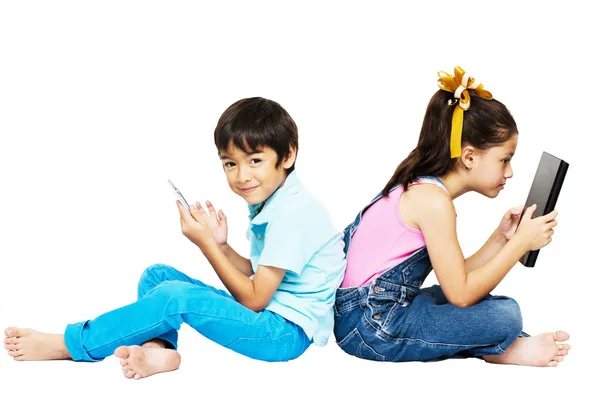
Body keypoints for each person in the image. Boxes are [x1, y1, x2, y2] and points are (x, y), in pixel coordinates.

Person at [4, 97, 346, 379]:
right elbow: (262, 272)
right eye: (230, 164)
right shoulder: (279, 200)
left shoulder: (295, 214)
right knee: (158, 276)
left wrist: (207, 246)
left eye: (255, 160)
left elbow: (254, 299)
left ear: (287, 155)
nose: (242, 176)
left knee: (174, 297)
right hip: (272, 312)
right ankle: (160, 352)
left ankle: (70, 345)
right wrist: (224, 247)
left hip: (283, 333)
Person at [333, 67, 570, 366]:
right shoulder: (433, 203)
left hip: (372, 315)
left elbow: (455, 281)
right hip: (372, 328)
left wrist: (501, 239)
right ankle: (503, 348)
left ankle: (503, 347)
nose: (509, 172)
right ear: (469, 157)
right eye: (505, 160)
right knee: (507, 315)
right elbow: (461, 295)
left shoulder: (424, 189)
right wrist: (520, 244)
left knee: (476, 305)